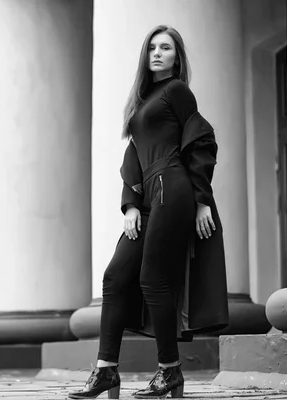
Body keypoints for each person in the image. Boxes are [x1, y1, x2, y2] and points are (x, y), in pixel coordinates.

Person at [68, 25, 228, 399]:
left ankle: (169, 370)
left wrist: (202, 200)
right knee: (115, 276)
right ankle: (106, 370)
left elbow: (201, 139)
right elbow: (133, 157)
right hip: (147, 196)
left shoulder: (176, 91)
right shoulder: (142, 100)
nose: (157, 53)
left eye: (166, 48)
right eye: (153, 47)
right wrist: (129, 204)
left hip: (173, 188)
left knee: (153, 278)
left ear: (177, 56)